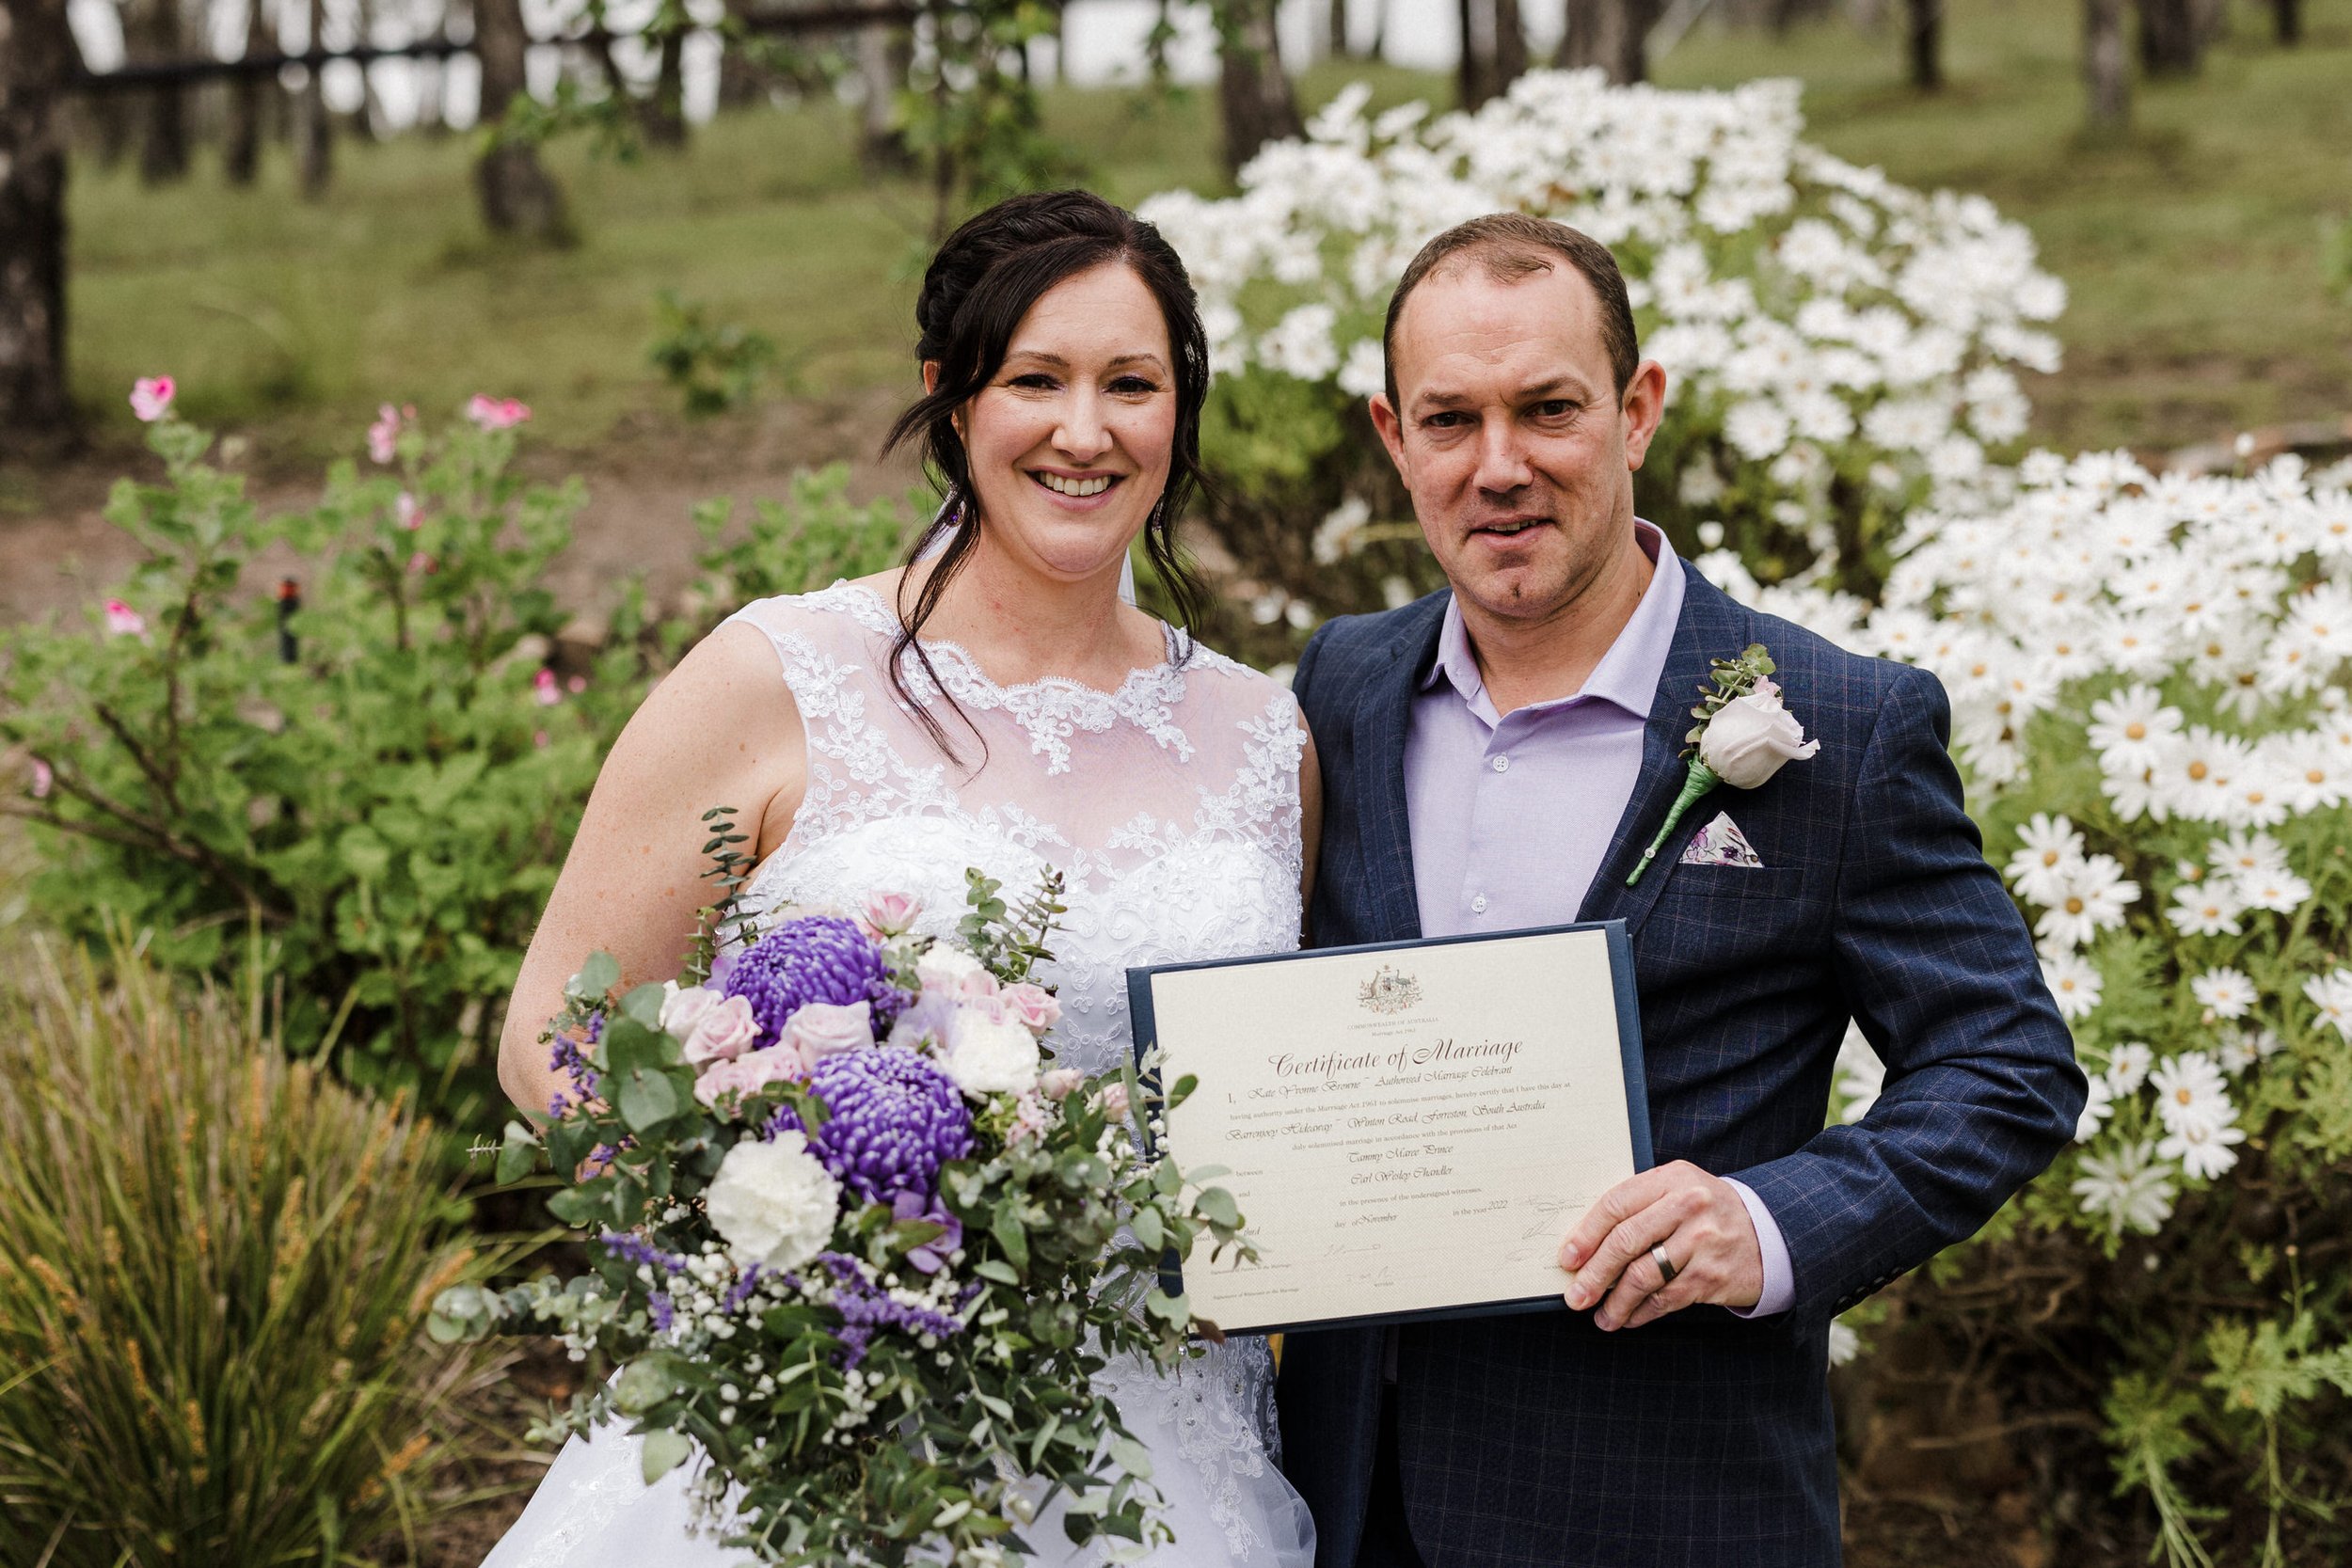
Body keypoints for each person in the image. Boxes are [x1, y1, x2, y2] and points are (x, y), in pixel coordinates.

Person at [485, 189, 1319, 1568]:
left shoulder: (1260, 737)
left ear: (1184, 408)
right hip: (822, 1427)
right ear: (947, 396)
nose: (1085, 430)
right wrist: (776, 1245)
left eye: (1133, 384)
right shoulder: (775, 678)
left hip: (1158, 1467)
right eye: (1034, 380)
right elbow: (550, 1037)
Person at [1274, 214, 2087, 1568]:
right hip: (1350, 1501)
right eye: (1449, 420)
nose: (1499, 467)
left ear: (1638, 411)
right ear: (1390, 437)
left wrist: (1765, 1223)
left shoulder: (1836, 722)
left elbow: (2005, 1064)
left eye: (1549, 410)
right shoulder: (1343, 687)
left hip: (1664, 1507)